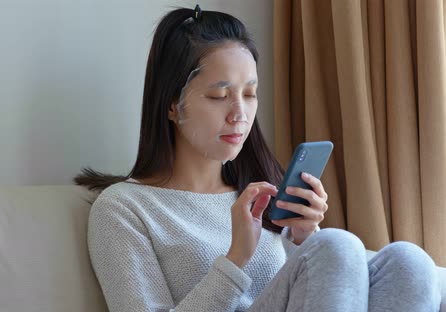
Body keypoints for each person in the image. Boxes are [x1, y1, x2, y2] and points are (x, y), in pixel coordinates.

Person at [75, 5, 440, 312]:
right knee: (336, 245)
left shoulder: (256, 195)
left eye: (250, 95)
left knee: (410, 262)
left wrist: (302, 237)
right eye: (219, 96)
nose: (240, 113)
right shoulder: (123, 209)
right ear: (173, 104)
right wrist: (235, 259)